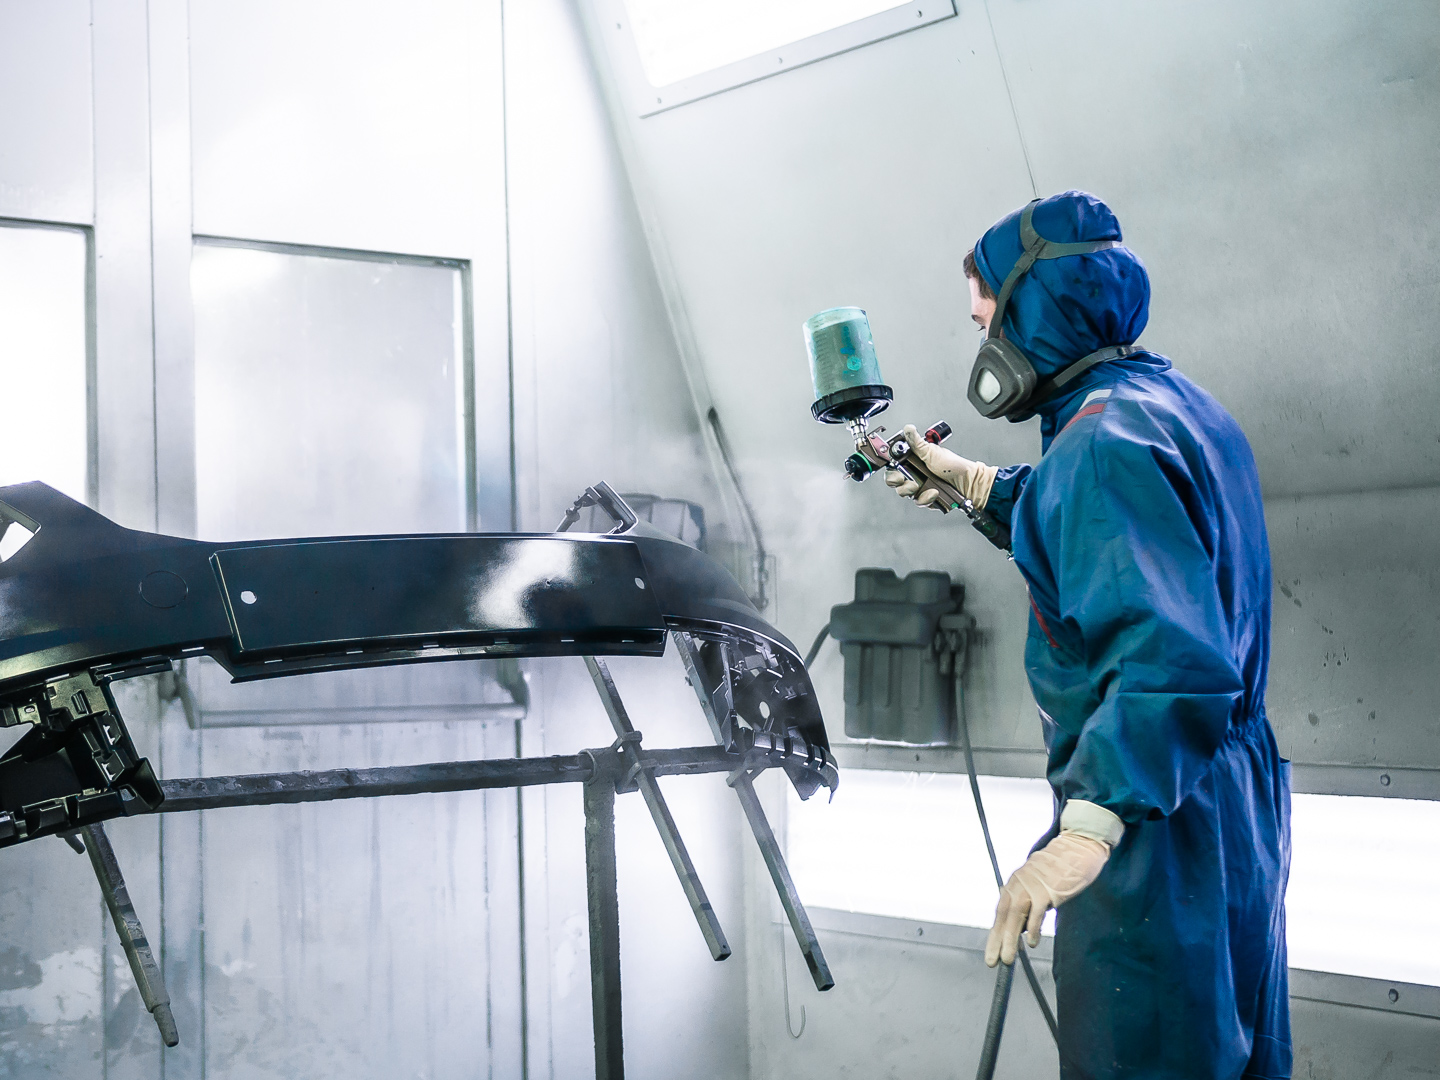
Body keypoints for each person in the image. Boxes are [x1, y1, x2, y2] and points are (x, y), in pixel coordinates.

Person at [887, 191, 1291, 1079]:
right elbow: (1125, 546)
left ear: (1031, 310)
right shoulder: (1167, 404)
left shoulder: (1096, 448)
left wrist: (1089, 827)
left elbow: (1162, 658)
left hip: (1149, 817)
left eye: (985, 321)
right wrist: (983, 488)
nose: (984, 348)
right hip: (1223, 794)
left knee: (1148, 1058)